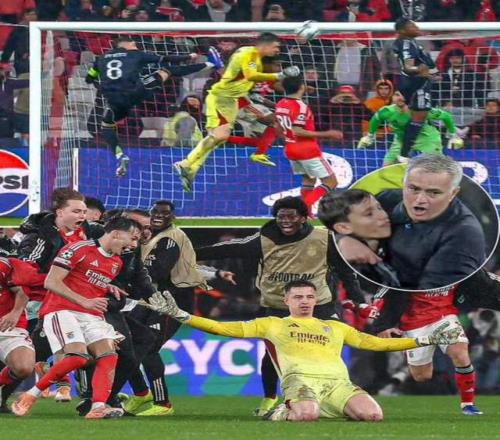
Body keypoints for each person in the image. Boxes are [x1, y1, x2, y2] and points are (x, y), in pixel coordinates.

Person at [139, 280, 462, 422]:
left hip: (338, 384)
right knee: (307, 416)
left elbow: (376, 343)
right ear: (287, 301)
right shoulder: (272, 324)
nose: (305, 301)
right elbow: (223, 329)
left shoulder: (334, 326)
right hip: (300, 381)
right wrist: (181, 315)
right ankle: (285, 409)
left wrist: (424, 340)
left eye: (309, 297)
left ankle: (317, 406)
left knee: (373, 416)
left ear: (316, 300)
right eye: (298, 297)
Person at [195, 196, 372, 415]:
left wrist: (359, 301)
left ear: (304, 218)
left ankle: (334, 393)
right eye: (281, 216)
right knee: (272, 356)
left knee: (328, 349)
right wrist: (188, 252)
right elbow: (226, 249)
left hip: (319, 306)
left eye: (291, 216)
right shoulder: (263, 239)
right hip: (277, 307)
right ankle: (269, 399)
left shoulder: (324, 238)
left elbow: (346, 272)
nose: (285, 220)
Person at [11, 216, 142, 419]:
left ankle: (98, 407)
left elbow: (85, 281)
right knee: (78, 357)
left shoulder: (116, 262)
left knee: (109, 355)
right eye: (133, 238)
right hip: (61, 310)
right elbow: (51, 282)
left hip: (91, 315)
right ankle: (31, 394)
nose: (134, 245)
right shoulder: (78, 249)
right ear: (116, 233)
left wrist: (107, 287)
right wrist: (85, 301)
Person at [121, 200, 234, 416]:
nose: (159, 216)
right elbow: (187, 266)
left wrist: (127, 273)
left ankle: (163, 404)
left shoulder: (171, 238)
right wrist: (216, 273)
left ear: (172, 217)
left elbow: (157, 272)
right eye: (155, 212)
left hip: (172, 303)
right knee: (128, 347)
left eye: (165, 213)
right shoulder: (150, 238)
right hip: (151, 300)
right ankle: (142, 393)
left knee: (149, 349)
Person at [322, 155, 486, 291]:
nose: (420, 200)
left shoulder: (463, 235)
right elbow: (343, 220)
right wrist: (342, 240)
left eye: (433, 193)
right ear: (404, 183)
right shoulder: (387, 199)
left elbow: (430, 297)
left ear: (453, 193)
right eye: (414, 189)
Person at [173, 32, 300, 191]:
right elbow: (251, 75)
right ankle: (184, 164)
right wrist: (281, 75)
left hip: (232, 100)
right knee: (219, 136)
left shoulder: (254, 56)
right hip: (221, 98)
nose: (277, 50)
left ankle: (191, 170)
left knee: (217, 139)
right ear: (265, 44)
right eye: (275, 47)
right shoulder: (249, 53)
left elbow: (243, 79)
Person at [85, 36, 223, 177]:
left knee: (107, 126)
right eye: (134, 43)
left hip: (114, 101)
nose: (136, 45)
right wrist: (189, 56)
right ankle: (211, 63)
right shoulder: (135, 54)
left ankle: (120, 155)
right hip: (135, 91)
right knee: (167, 70)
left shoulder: (100, 58)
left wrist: (100, 79)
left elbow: (89, 78)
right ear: (128, 44)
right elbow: (165, 58)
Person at [275, 77, 343, 214]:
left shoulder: (281, 103)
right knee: (331, 182)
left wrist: (287, 139)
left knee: (308, 180)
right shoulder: (300, 106)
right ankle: (303, 208)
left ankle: (308, 215)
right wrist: (327, 134)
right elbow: (297, 130)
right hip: (306, 149)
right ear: (301, 87)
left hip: (290, 148)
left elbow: (277, 126)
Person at [358, 91, 463, 166]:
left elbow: (446, 116)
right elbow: (375, 120)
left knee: (434, 168)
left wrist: (453, 136)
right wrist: (369, 137)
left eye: (403, 95)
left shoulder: (421, 111)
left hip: (427, 139)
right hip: (401, 140)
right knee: (387, 166)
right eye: (397, 95)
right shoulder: (386, 111)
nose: (400, 98)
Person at [393, 18, 439, 158]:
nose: (417, 27)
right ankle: (404, 153)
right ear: (403, 30)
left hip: (419, 83)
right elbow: (408, 67)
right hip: (416, 84)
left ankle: (407, 150)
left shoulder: (410, 42)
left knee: (420, 117)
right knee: (419, 117)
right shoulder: (406, 43)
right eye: (412, 26)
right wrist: (420, 70)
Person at [0, 257, 35, 412]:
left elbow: (22, 291)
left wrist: (15, 313)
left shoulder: (3, 265)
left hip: (7, 327)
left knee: (24, 367)